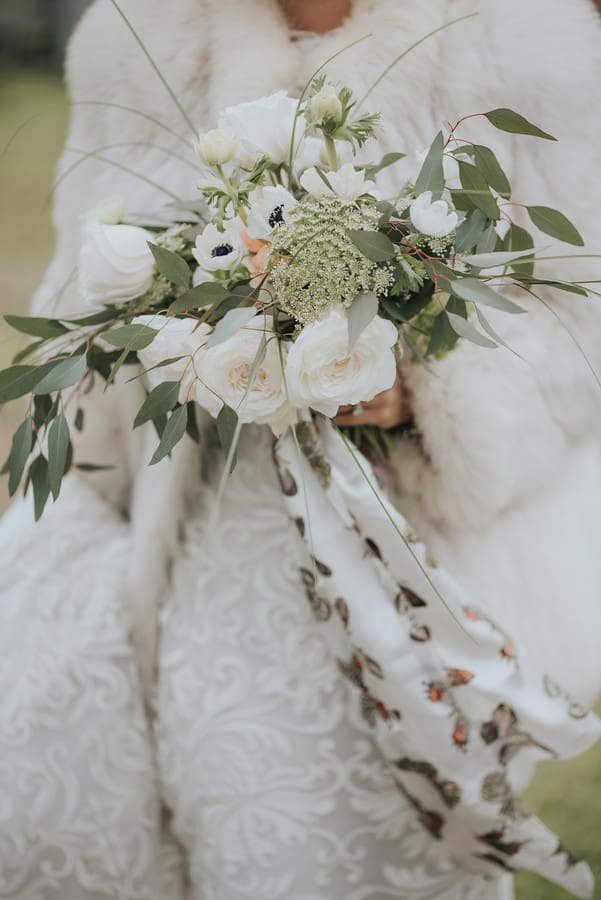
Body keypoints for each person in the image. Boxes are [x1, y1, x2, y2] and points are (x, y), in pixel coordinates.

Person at [1, 1, 601, 898]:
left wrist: (425, 391)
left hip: (415, 564)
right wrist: (180, 337)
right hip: (188, 533)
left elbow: (578, 317)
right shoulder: (136, 35)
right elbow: (79, 292)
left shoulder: (525, 40)